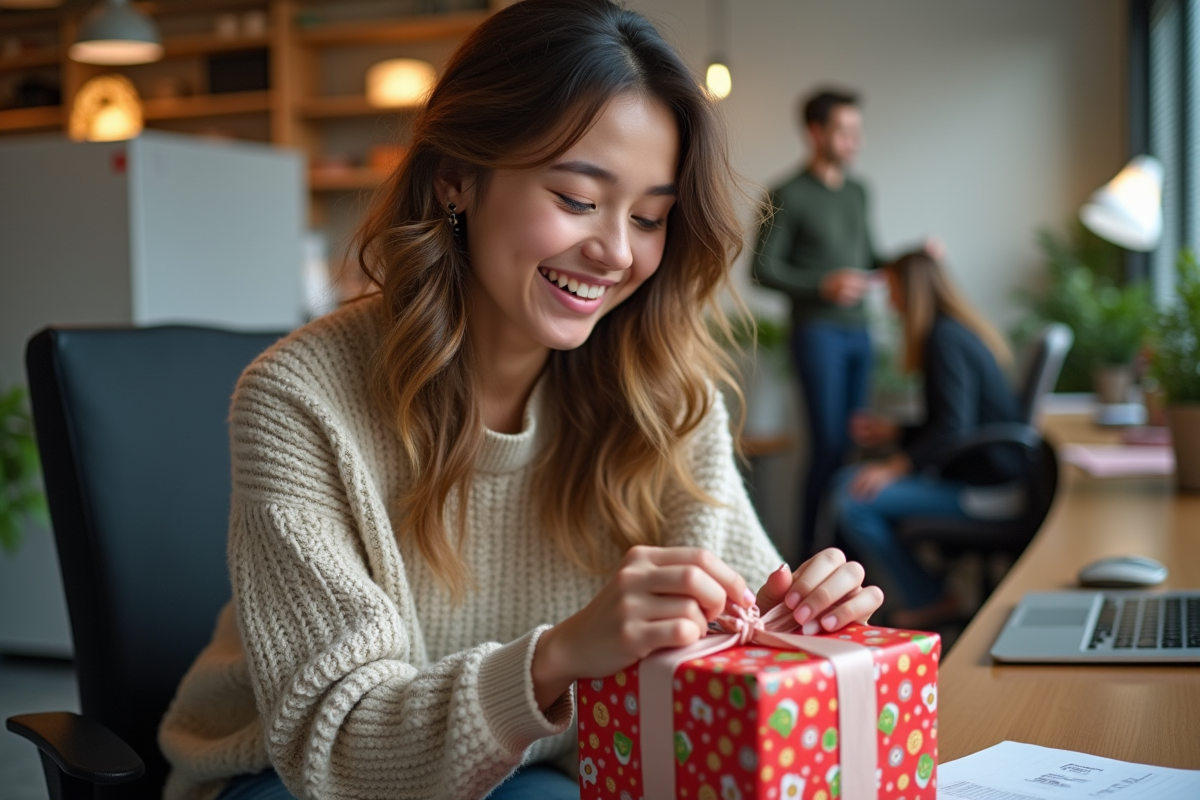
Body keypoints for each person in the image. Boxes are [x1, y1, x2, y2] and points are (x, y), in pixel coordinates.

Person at [157, 3, 884, 800]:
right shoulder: (298, 402)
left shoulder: (665, 395)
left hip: (541, 772)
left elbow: (732, 638)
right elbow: (338, 745)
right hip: (290, 780)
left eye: (649, 217)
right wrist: (558, 657)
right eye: (577, 199)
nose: (615, 250)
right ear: (457, 179)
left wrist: (796, 621)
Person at [832, 250, 1024, 630]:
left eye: (892, 290)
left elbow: (954, 429)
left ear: (910, 290)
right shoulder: (954, 331)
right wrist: (897, 431)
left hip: (989, 492)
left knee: (851, 496)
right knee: (851, 485)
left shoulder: (943, 340)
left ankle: (932, 598)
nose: (889, 303)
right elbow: (953, 420)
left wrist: (894, 467)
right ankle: (930, 593)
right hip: (991, 478)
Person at [751, 88, 880, 562]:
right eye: (845, 131)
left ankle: (845, 558)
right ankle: (808, 554)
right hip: (817, 334)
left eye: (856, 131)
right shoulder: (787, 194)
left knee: (851, 445)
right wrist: (822, 285)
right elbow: (762, 270)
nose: (855, 141)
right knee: (826, 445)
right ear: (815, 132)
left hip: (861, 333)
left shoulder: (859, 193)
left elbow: (870, 258)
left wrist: (914, 261)